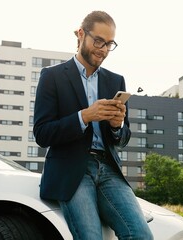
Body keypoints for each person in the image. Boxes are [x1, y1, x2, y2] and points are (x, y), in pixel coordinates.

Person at [33, 10, 153, 240]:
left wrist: (117, 126)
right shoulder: (52, 76)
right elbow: (42, 133)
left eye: (109, 44)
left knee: (141, 235)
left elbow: (123, 138)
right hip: (72, 170)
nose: (103, 49)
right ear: (80, 34)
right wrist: (84, 116)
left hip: (109, 169)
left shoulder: (115, 80)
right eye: (98, 41)